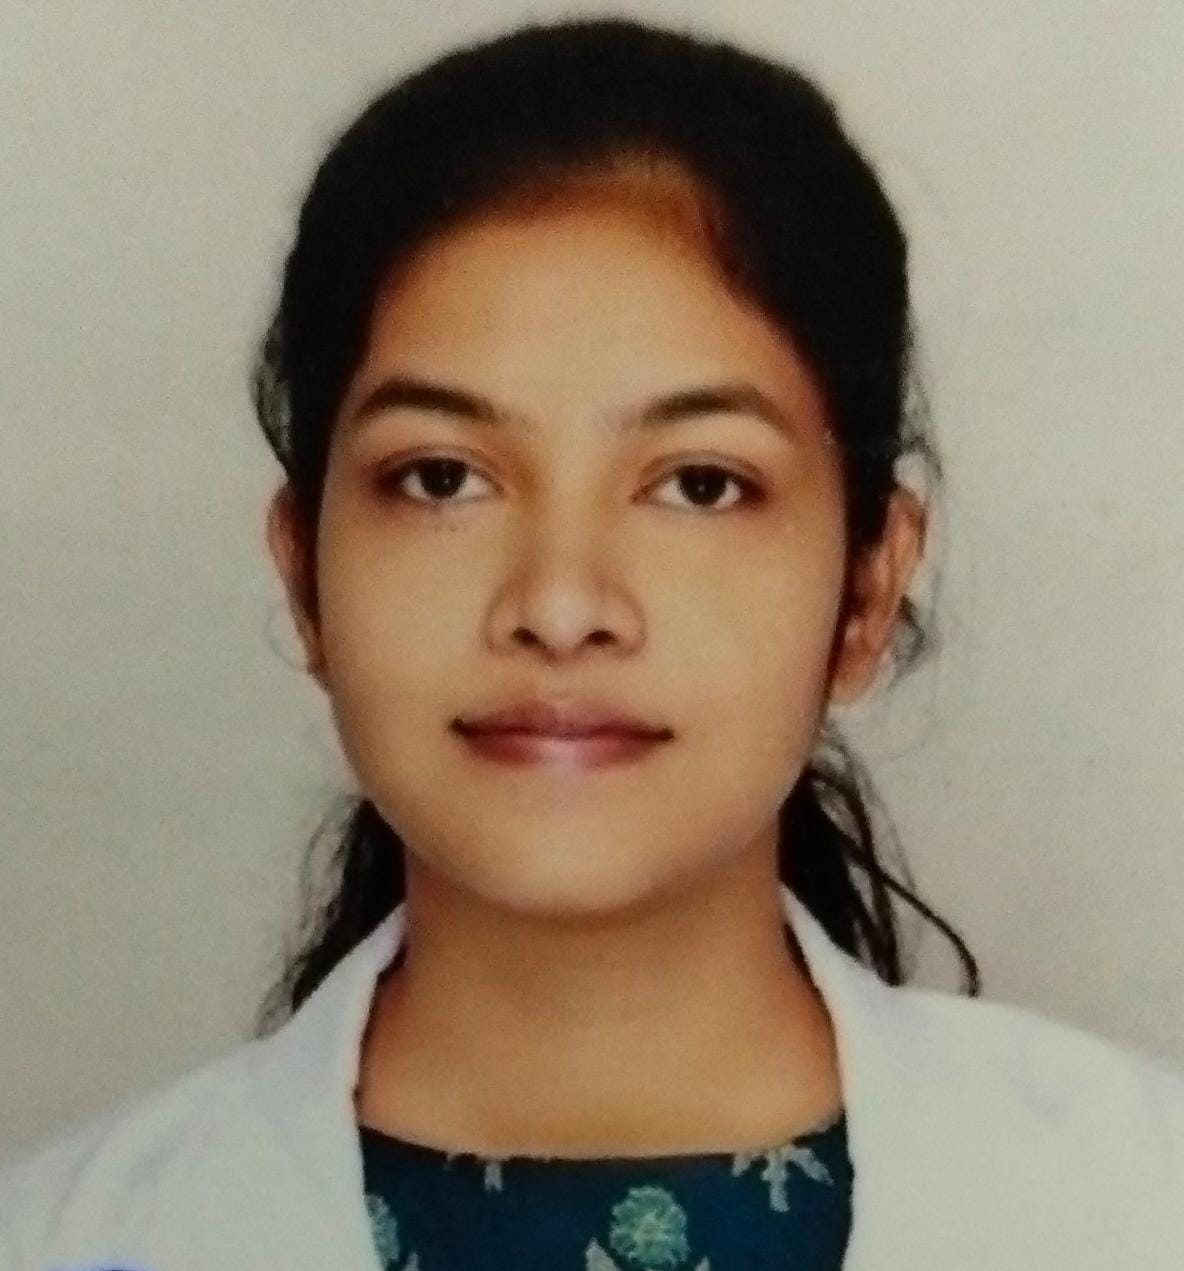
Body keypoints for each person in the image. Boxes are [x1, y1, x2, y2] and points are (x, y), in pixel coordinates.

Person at [2, 15, 1181, 1270]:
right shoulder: (61, 1238)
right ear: (304, 573)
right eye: (442, 477)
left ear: (865, 587)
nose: (560, 606)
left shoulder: (1136, 1201)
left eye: (699, 483)